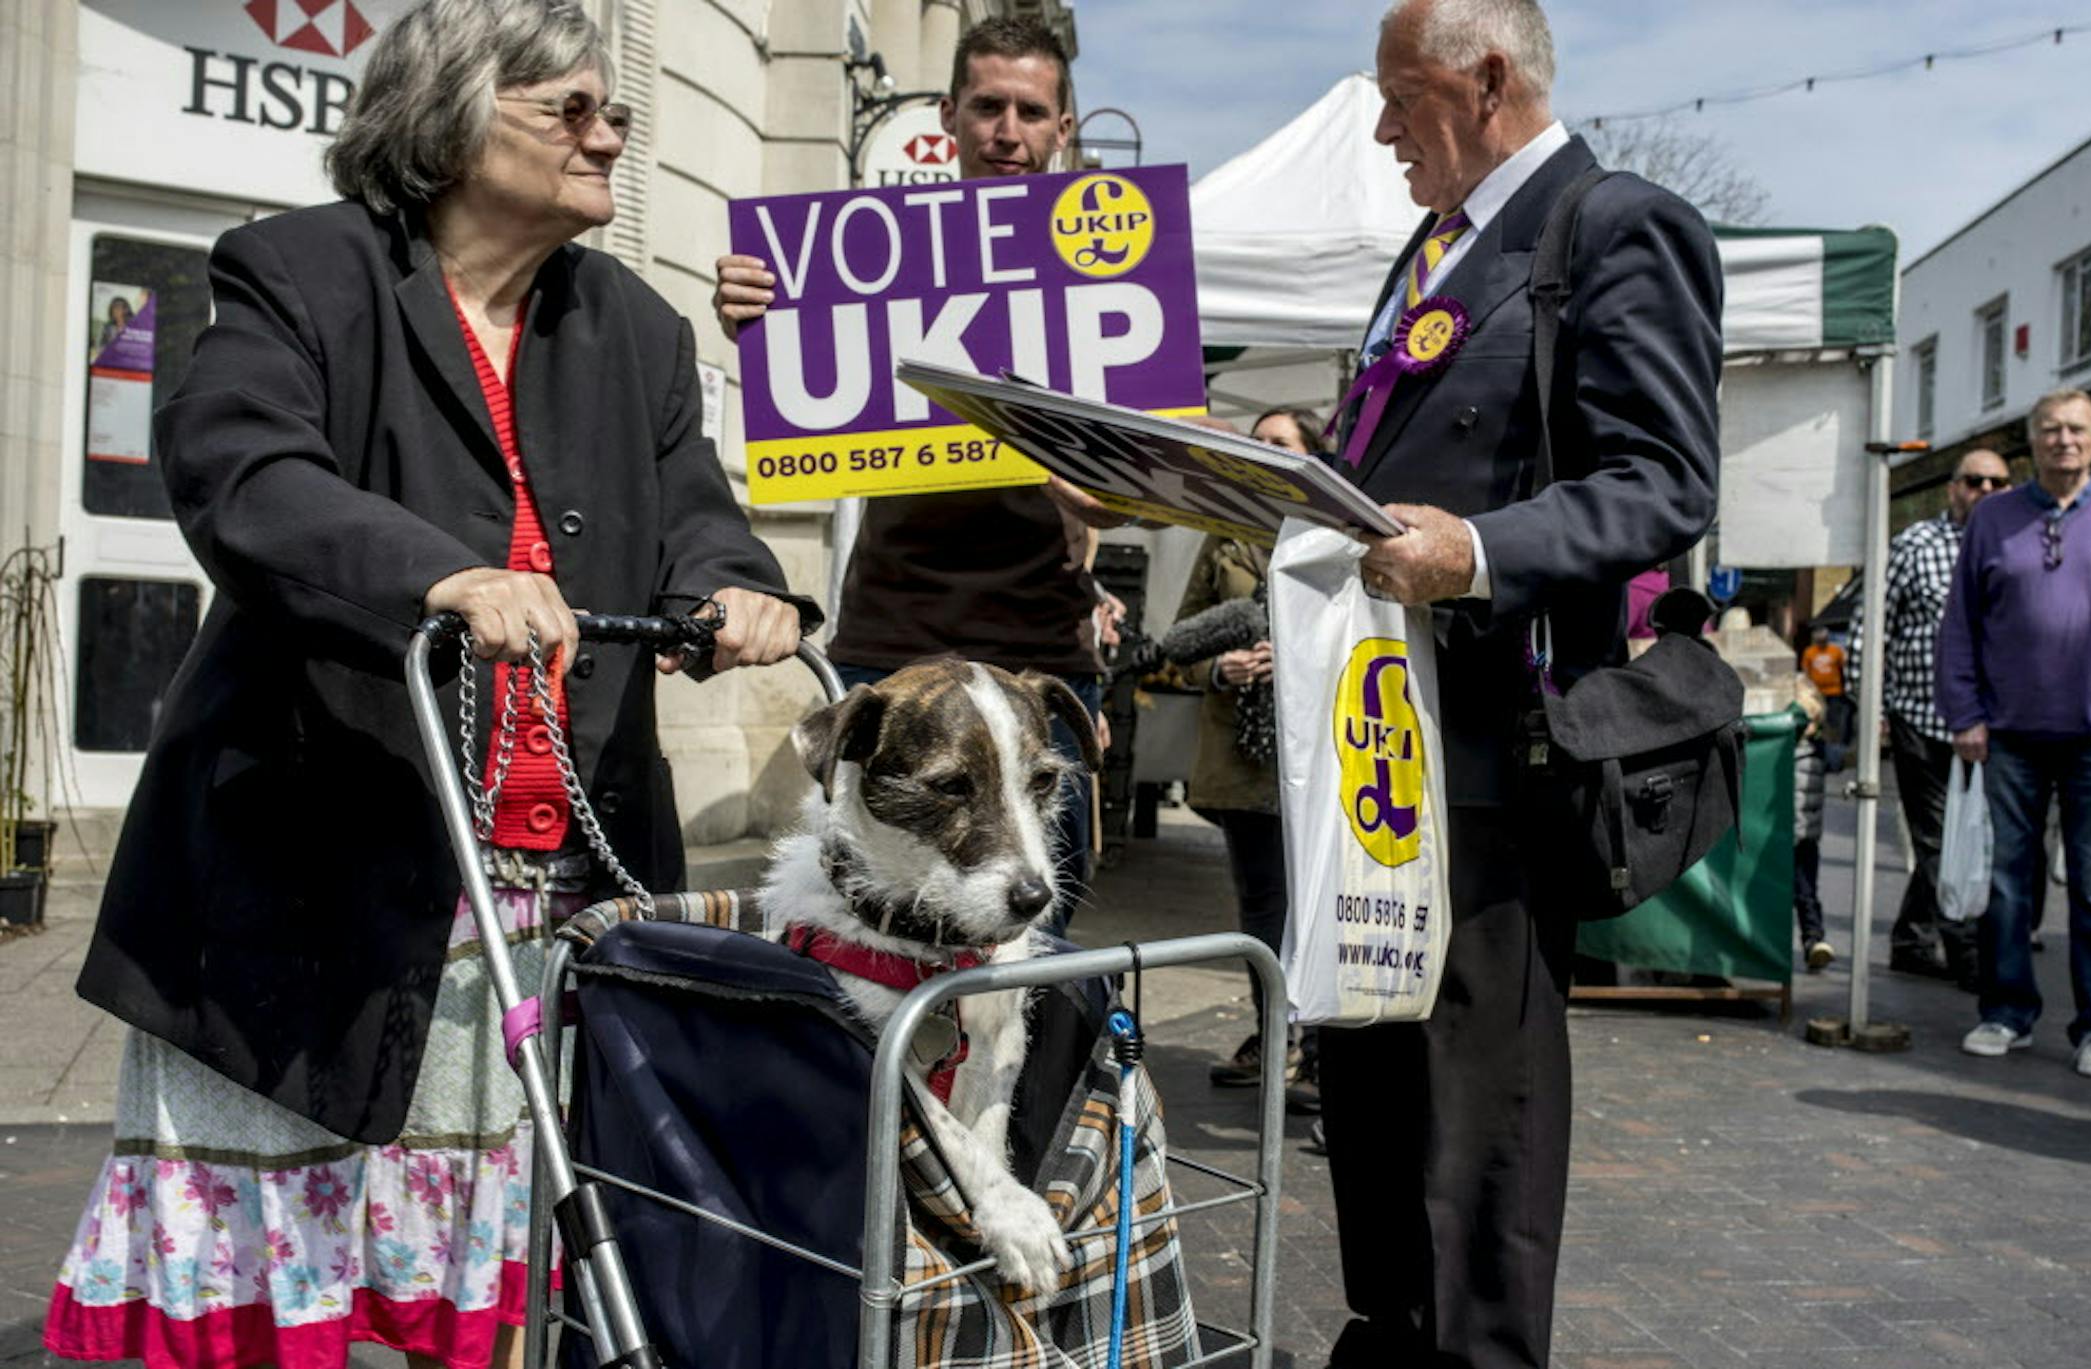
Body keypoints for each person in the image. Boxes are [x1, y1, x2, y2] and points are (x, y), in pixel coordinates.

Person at [44, 4, 814, 1365]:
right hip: (317, 864)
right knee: (282, 1258)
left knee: (503, 1249)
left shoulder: (629, 322)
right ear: (455, 118)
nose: (608, 135)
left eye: (613, 113)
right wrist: (441, 576)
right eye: (570, 109)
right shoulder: (300, 270)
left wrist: (741, 588)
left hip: (547, 887)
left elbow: (698, 507)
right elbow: (245, 473)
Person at [1324, 2, 1722, 1364]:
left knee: (1473, 1114)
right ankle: (1390, 1334)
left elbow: (1665, 481)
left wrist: (1479, 551)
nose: (1380, 128)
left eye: (1399, 96)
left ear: (1486, 79)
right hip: (1375, 741)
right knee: (1371, 1088)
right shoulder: (1431, 254)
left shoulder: (1609, 225)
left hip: (1494, 755)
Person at [714, 16, 1113, 934]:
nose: (1007, 128)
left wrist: (1110, 484)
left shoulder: (1104, 273)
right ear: (950, 116)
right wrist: (762, 321)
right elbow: (806, 386)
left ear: (1063, 127)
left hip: (1038, 645)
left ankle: (1011, 1084)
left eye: (1030, 110)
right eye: (987, 106)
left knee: (1026, 931)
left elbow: (1154, 502)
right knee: (860, 925)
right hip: (890, 640)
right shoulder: (866, 256)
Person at [1940, 388, 2091, 1081]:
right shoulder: (1994, 518)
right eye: (2049, 430)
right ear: (2030, 443)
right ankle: (2005, 1012)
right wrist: (1965, 714)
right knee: (2009, 884)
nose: (2063, 440)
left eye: (2076, 429)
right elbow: (1961, 625)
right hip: (2008, 733)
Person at [1180, 407, 1324, 1113]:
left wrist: (1302, 661)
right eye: (1257, 442)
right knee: (1263, 903)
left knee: (1318, 900)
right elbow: (1175, 649)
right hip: (1245, 759)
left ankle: (1321, 1050)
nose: (1264, 451)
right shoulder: (1224, 537)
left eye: (1280, 443)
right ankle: (1275, 1039)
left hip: (1321, 750)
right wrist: (1220, 669)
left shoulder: (1334, 529)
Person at [1868, 445, 2013, 987]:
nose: (1986, 493)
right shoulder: (1916, 544)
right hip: (1921, 719)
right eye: (1975, 482)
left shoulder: (2015, 543)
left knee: (1979, 834)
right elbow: (1872, 626)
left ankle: (1911, 936)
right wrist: (1872, 710)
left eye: (1998, 484)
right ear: (1953, 487)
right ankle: (1966, 952)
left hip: (1996, 723)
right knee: (1936, 839)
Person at [1793, 676, 1834, 971]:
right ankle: (1811, 939)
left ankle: (1813, 940)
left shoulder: (1819, 750)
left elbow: (1847, 757)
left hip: (1806, 838)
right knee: (1801, 893)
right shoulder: (1786, 749)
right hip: (1789, 837)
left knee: (1807, 894)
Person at [1800, 623, 1851, 763]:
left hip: (1834, 691)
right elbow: (1806, 671)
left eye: (1824, 640)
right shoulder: (1809, 652)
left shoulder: (1835, 651)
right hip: (1817, 692)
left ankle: (1834, 750)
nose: (1821, 643)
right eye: (1819, 640)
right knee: (1818, 720)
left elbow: (1843, 669)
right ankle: (1821, 746)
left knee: (1833, 720)